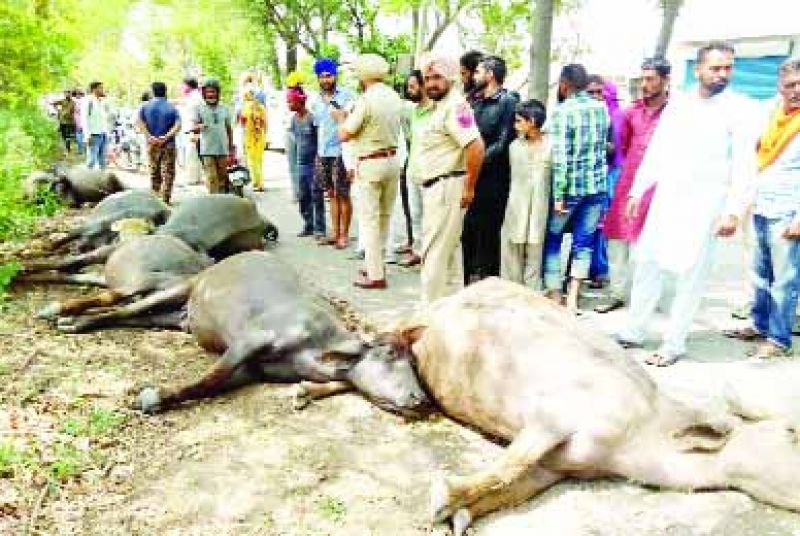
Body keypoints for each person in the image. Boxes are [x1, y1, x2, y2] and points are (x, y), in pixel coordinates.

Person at [615, 42, 758, 366]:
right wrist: (638, 191)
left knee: (691, 274)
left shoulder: (741, 109)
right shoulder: (680, 103)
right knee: (647, 263)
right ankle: (634, 331)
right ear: (699, 69)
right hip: (668, 197)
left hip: (707, 204)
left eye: (728, 68)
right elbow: (659, 149)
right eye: (716, 68)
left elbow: (744, 165)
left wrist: (733, 211)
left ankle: (674, 343)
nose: (723, 74)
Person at [723, 58, 800, 359]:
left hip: (788, 211)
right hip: (760, 204)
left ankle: (779, 340)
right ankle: (759, 324)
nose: (796, 90)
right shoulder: (770, 113)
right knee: (759, 275)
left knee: (785, 280)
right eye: (790, 85)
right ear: (780, 86)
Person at [595, 57, 671, 314]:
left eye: (651, 79)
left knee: (650, 245)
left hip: (660, 188)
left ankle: (646, 298)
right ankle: (616, 293)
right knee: (617, 241)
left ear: (665, 80)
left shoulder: (675, 114)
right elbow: (625, 147)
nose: (645, 84)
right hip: (628, 183)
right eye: (642, 79)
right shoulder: (631, 113)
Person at [415, 53, 485, 304]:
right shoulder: (440, 107)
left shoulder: (455, 107)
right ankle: (452, 313)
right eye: (427, 78)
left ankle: (427, 315)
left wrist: (469, 188)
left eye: (437, 77)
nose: (431, 83)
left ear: (451, 78)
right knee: (450, 256)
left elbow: (476, 146)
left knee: (433, 254)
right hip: (439, 187)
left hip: (446, 186)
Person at [543, 64, 610, 313]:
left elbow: (561, 158)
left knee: (553, 240)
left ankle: (554, 295)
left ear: (564, 84)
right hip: (597, 187)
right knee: (584, 243)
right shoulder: (601, 108)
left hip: (570, 189)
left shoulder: (563, 112)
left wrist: (559, 195)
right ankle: (572, 297)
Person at [337, 54, 406, 289]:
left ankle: (375, 275)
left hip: (370, 162)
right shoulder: (394, 97)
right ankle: (376, 264)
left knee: (369, 220)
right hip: (392, 160)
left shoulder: (365, 100)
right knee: (385, 216)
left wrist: (341, 119)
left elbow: (345, 133)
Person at [462, 55, 517, 284]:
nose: (474, 76)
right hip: (470, 174)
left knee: (489, 231)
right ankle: (465, 278)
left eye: (478, 72)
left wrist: (477, 160)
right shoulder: (473, 101)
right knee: (467, 229)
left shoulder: (508, 102)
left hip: (493, 178)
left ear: (490, 75)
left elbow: (503, 142)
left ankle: (488, 281)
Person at [500, 99, 551, 288]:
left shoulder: (551, 146)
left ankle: (532, 293)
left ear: (533, 121)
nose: (515, 125)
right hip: (516, 207)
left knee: (535, 253)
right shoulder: (514, 147)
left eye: (519, 121)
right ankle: (511, 292)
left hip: (539, 208)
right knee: (511, 250)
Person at [310, 58, 356, 248]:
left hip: (341, 151)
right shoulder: (315, 100)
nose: (325, 80)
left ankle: (344, 235)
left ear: (335, 76)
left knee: (343, 194)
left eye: (329, 76)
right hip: (323, 152)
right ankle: (335, 233)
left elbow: (351, 120)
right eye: (322, 77)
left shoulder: (347, 95)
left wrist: (337, 107)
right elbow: (317, 126)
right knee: (330, 194)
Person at [397, 69, 427, 268]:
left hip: (430, 173)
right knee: (415, 214)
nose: (409, 91)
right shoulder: (412, 111)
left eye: (413, 87)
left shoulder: (437, 110)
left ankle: (428, 255)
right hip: (413, 168)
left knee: (429, 217)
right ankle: (417, 250)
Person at [289, 87, 326, 239]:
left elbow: (319, 140)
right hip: (300, 164)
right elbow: (295, 142)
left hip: (313, 164)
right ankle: (308, 224)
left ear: (300, 101)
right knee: (303, 196)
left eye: (291, 101)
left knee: (316, 195)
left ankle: (320, 228)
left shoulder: (312, 118)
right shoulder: (294, 119)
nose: (289, 104)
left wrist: (319, 159)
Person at [137, 82, 181, 203]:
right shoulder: (171, 107)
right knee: (168, 172)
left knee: (154, 170)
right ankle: (166, 198)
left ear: (152, 92)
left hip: (152, 144)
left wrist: (149, 136)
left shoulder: (145, 107)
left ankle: (155, 198)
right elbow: (178, 125)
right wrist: (166, 137)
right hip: (168, 144)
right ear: (165, 91)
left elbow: (140, 122)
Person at [192, 78, 234, 194]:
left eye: (213, 91)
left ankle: (223, 199)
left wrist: (231, 147)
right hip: (207, 150)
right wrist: (199, 126)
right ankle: (213, 199)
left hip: (222, 148)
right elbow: (194, 128)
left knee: (223, 177)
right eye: (208, 92)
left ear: (218, 93)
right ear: (204, 93)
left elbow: (229, 129)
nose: (210, 94)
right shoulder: (198, 108)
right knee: (211, 178)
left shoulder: (224, 108)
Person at [240, 88, 268, 191]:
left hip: (249, 136)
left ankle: (256, 182)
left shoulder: (245, 108)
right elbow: (265, 123)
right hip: (260, 136)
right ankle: (260, 183)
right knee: (259, 161)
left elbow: (242, 124)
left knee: (252, 160)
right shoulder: (261, 107)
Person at [179, 77, 204, 185]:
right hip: (192, 129)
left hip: (193, 129)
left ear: (188, 86)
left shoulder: (194, 98)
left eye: (183, 85)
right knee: (194, 153)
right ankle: (196, 177)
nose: (181, 88)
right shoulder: (194, 96)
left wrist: (194, 132)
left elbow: (195, 116)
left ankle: (192, 178)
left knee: (192, 153)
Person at [82, 81, 112, 170]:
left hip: (103, 133)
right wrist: (87, 135)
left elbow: (107, 115)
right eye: (101, 88)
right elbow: (84, 118)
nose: (103, 90)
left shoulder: (102, 101)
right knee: (91, 160)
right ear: (94, 89)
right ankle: (87, 177)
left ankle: (102, 177)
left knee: (103, 160)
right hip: (93, 134)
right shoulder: (88, 101)